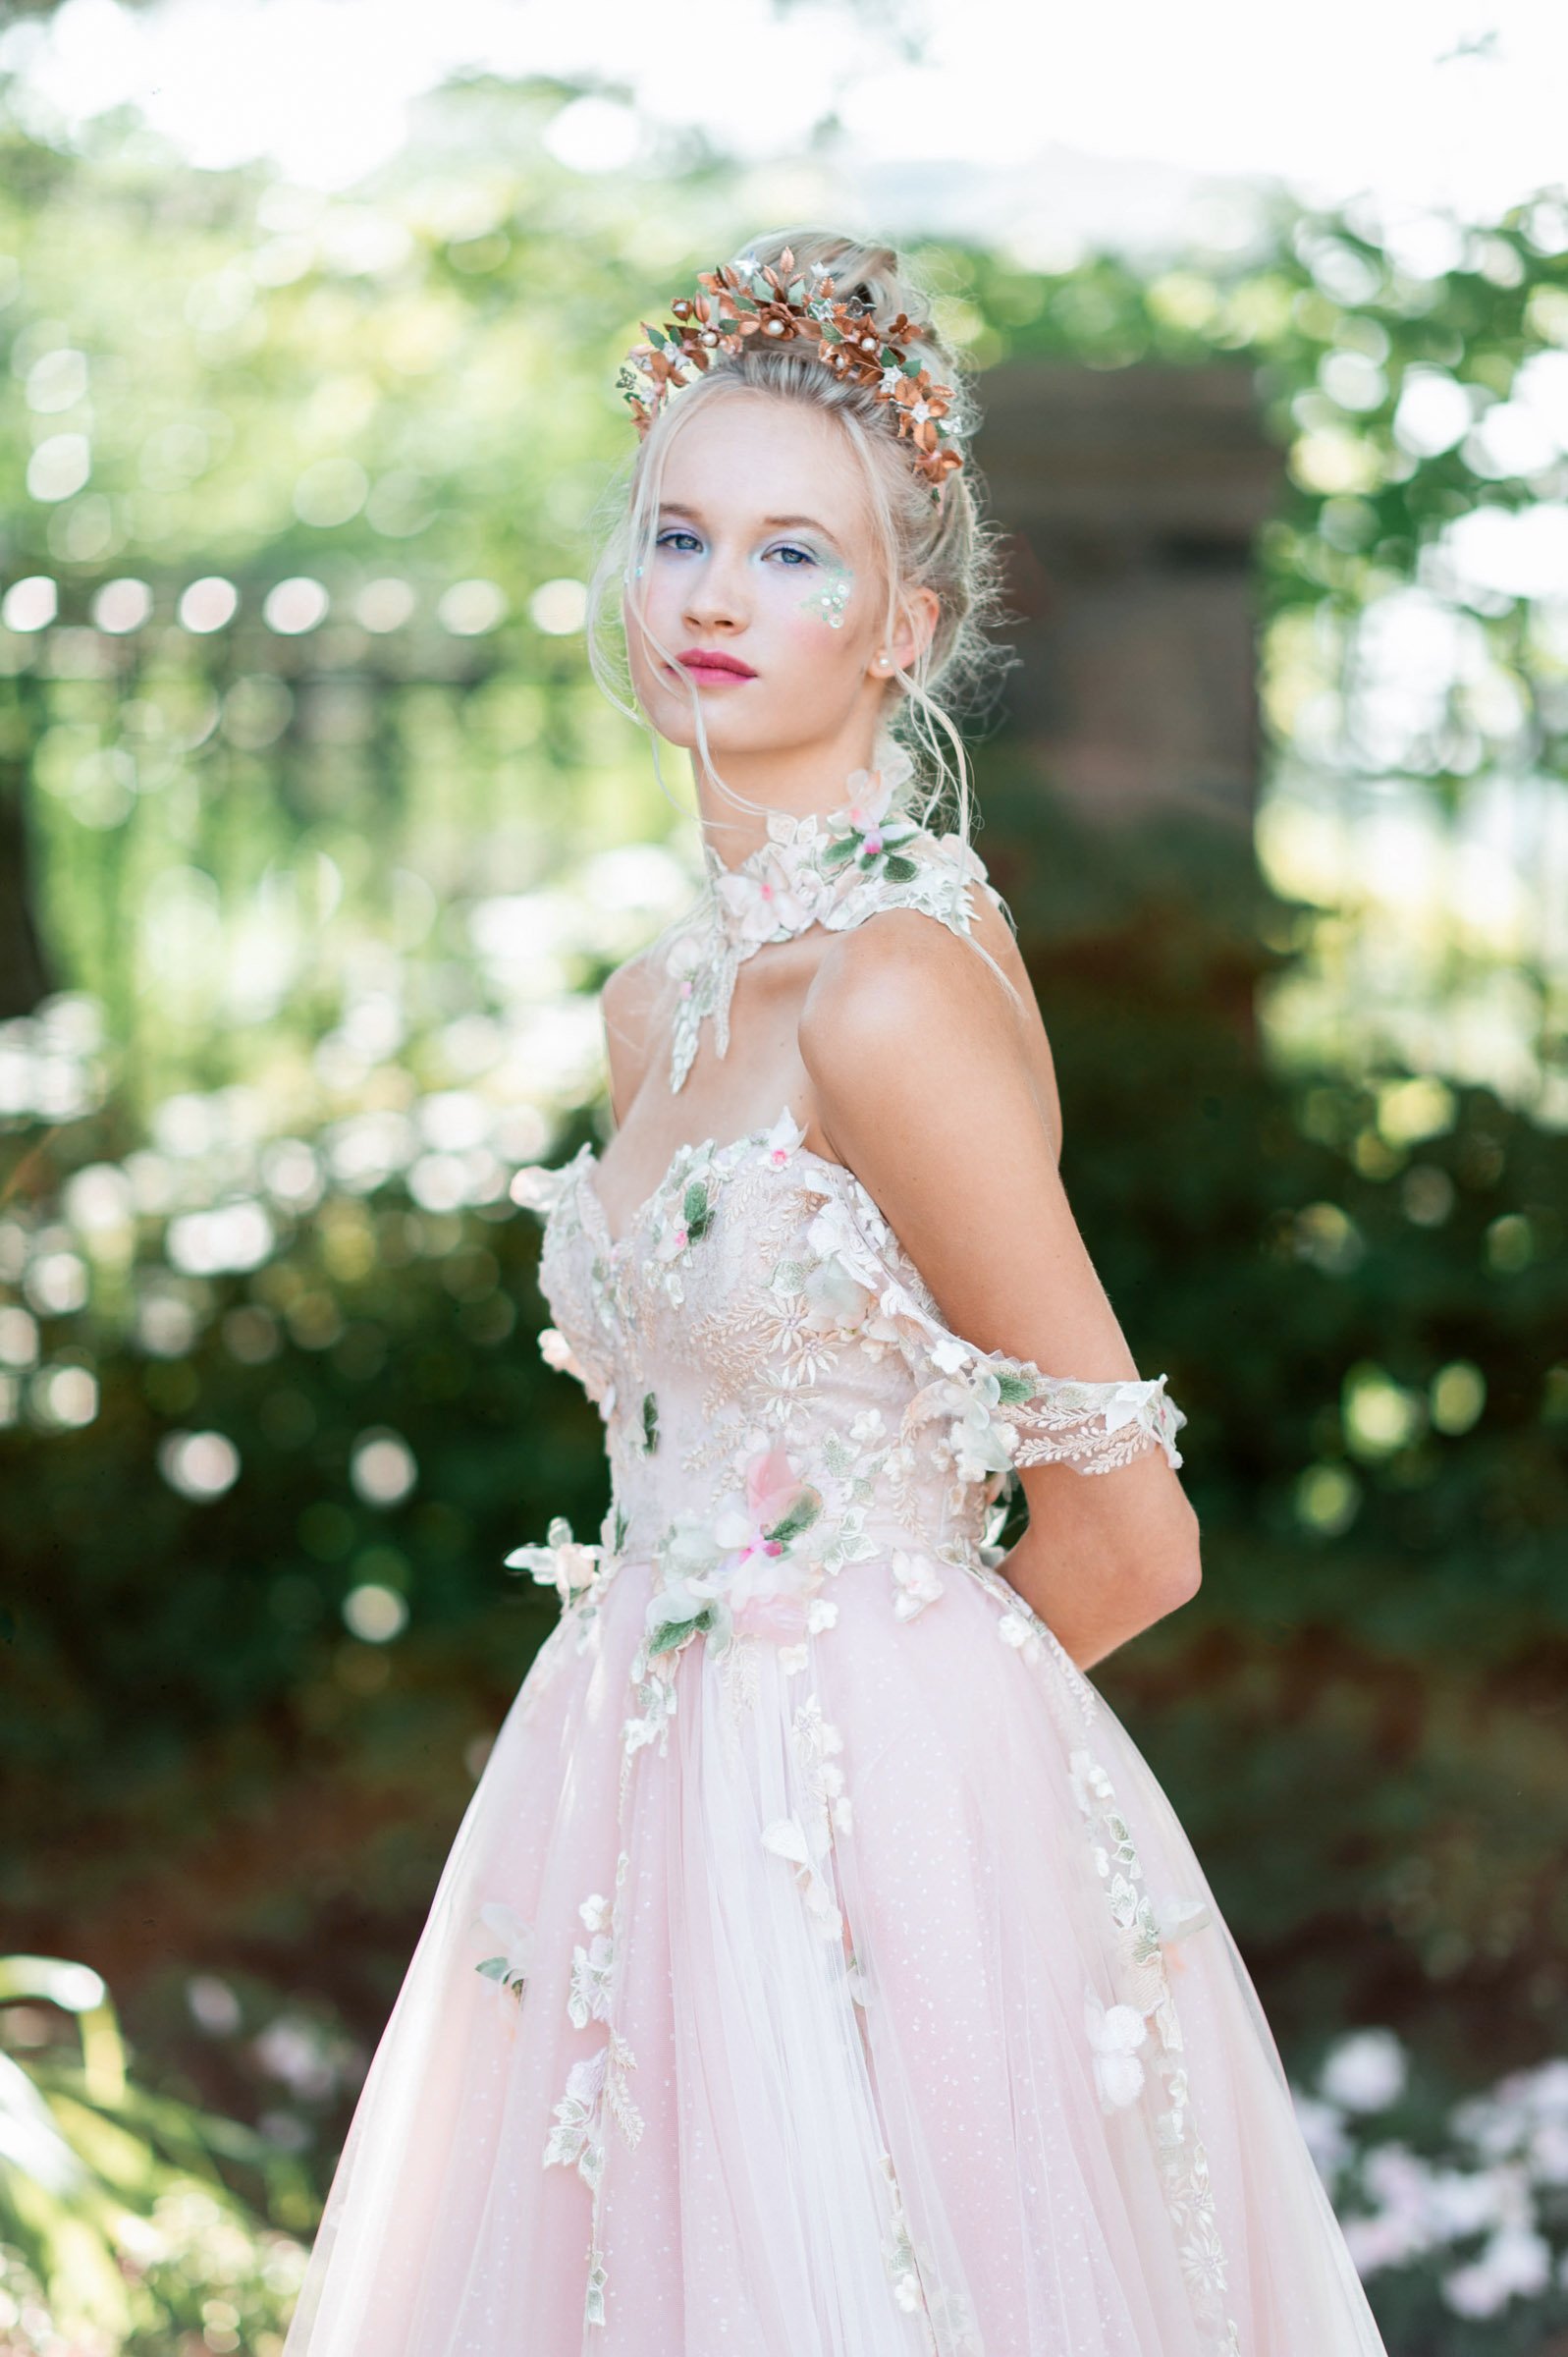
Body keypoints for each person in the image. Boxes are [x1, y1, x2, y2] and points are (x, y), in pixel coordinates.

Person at [282, 231, 1389, 2356]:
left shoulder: (892, 995)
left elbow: (1128, 1534)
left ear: (908, 622)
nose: (713, 596)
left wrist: (871, 1774)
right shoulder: (661, 1006)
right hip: (620, 1799)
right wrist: (689, 1761)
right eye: (681, 534)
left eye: (792, 555)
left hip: (851, 1829)